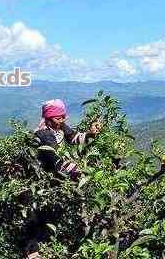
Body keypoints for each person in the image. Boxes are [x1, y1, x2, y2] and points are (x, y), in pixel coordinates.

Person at [26, 99, 101, 259]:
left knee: (51, 214)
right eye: (58, 118)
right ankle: (33, 252)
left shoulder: (58, 126)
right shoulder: (44, 134)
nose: (62, 120)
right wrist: (82, 172)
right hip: (41, 180)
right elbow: (58, 162)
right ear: (48, 118)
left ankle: (49, 243)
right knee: (38, 215)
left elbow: (73, 137)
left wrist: (90, 133)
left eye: (63, 116)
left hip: (54, 178)